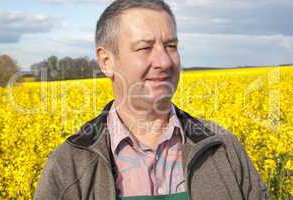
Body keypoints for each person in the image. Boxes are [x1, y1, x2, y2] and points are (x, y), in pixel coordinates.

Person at [34, 0, 269, 199]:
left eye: (171, 46)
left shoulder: (224, 150)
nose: (164, 62)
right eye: (144, 48)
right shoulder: (70, 164)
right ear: (106, 61)